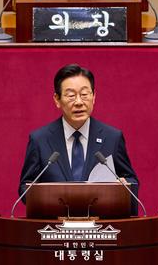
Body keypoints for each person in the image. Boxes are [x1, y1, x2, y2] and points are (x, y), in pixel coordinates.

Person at [18, 64, 139, 213]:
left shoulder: (112, 137)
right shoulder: (40, 140)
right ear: (57, 99)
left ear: (94, 97)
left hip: (100, 221)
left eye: (84, 94)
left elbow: (131, 181)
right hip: (56, 222)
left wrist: (124, 185)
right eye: (71, 96)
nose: (79, 102)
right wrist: (46, 198)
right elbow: (25, 187)